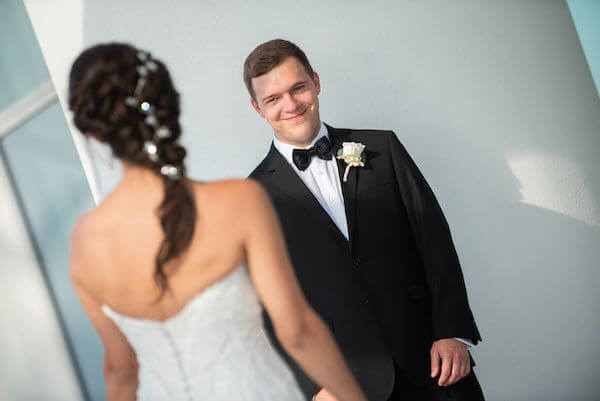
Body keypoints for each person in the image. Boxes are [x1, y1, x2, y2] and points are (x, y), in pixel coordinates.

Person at [67, 42, 368, 401]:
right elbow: (298, 330)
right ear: (167, 107)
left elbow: (119, 371)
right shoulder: (238, 201)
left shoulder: (85, 241)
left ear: (95, 133)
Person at [246, 39, 485, 401]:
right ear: (257, 108)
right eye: (273, 98)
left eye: (297, 87)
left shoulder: (382, 149)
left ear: (315, 82)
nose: (290, 105)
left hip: (434, 361)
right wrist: (313, 386)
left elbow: (434, 240)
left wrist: (453, 331)